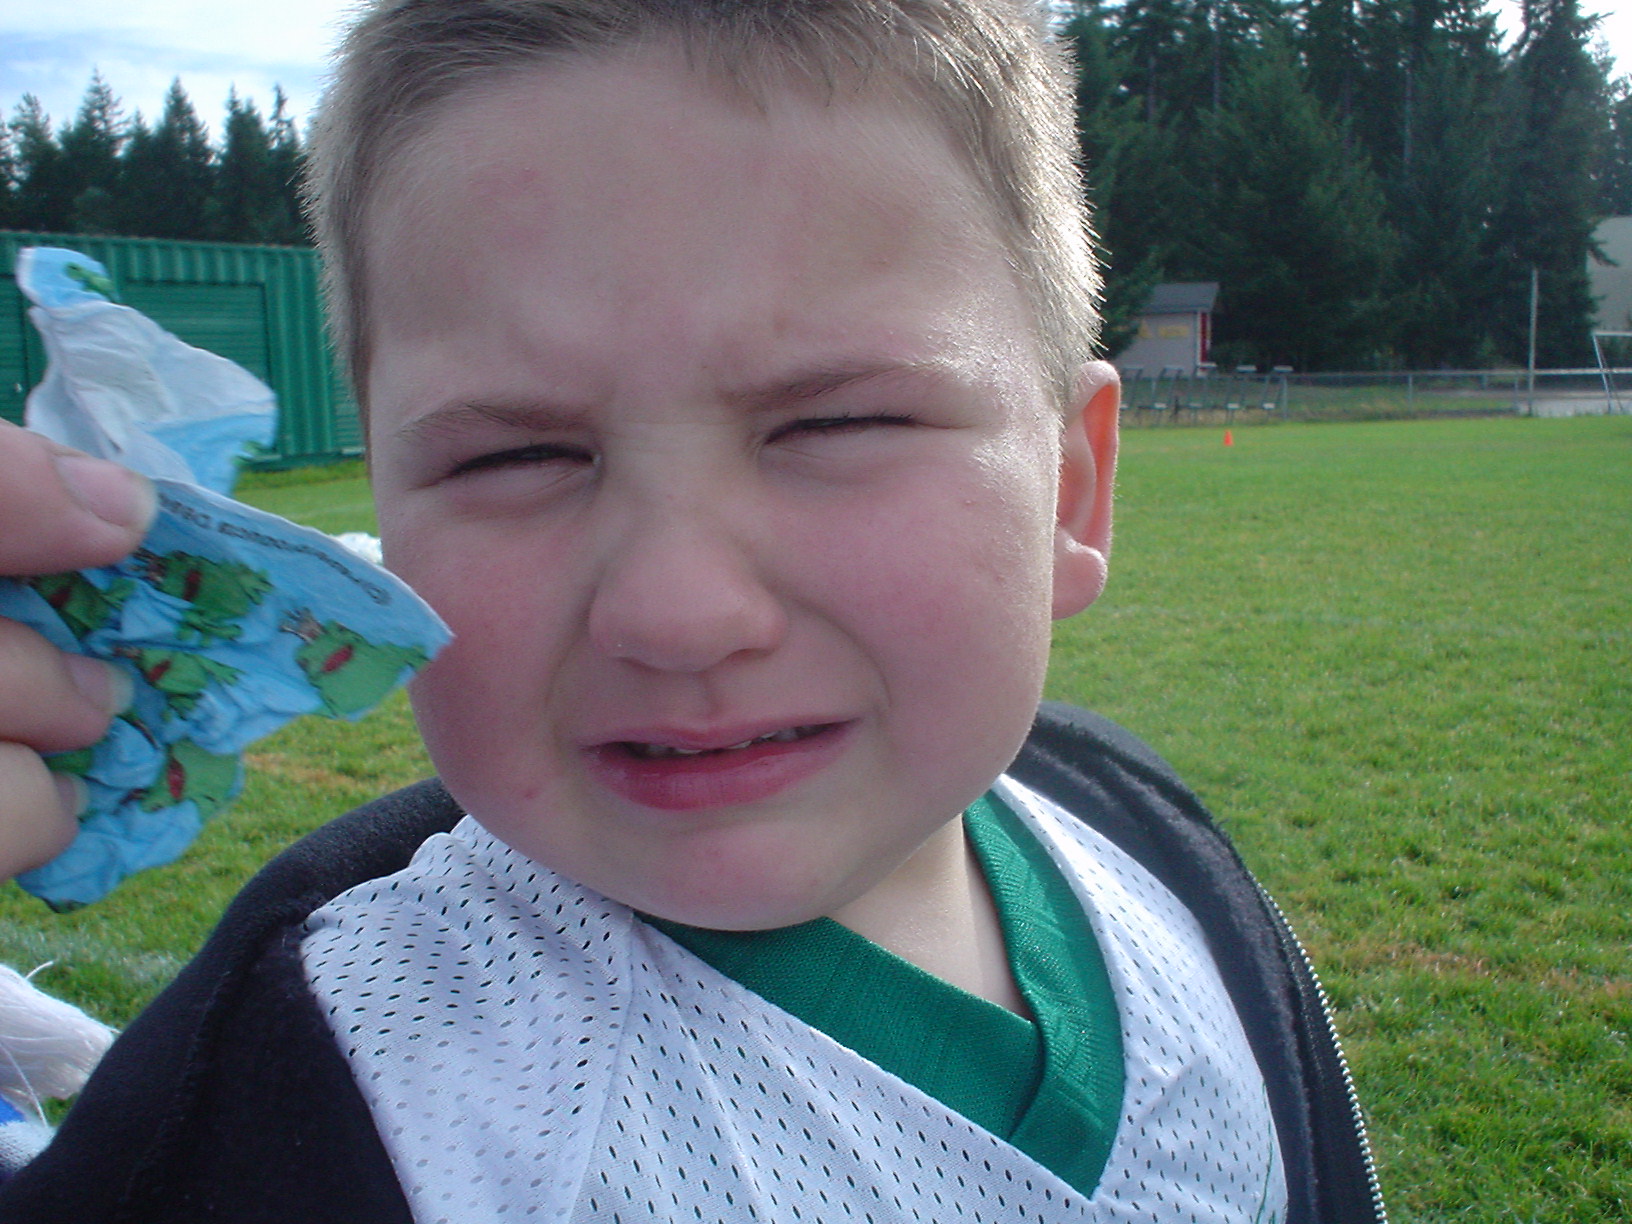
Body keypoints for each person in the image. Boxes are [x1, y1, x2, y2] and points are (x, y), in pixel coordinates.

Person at [0, 1, 1384, 1219]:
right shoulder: (316, 1098)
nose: (678, 612)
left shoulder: (1153, 846)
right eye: (514, 456)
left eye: (835, 423)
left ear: (1071, 487)